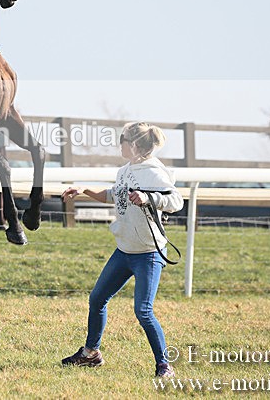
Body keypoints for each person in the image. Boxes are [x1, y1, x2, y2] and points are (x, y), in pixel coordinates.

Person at [59, 122, 183, 378]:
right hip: (124, 251)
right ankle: (91, 353)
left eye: (122, 140)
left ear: (134, 144)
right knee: (97, 298)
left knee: (143, 311)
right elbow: (112, 194)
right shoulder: (125, 171)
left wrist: (150, 198)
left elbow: (176, 201)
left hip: (148, 254)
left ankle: (164, 366)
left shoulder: (155, 172)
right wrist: (83, 190)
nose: (119, 144)